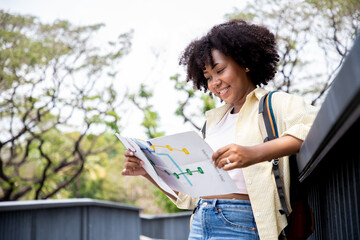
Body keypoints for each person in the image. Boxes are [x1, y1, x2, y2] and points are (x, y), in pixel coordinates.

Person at [122, 19, 318, 240]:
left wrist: (254, 153)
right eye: (208, 77)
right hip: (200, 222)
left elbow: (314, 127)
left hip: (244, 223)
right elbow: (190, 198)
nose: (214, 83)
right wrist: (149, 172)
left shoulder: (275, 103)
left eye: (220, 70)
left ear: (245, 63)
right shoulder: (212, 123)